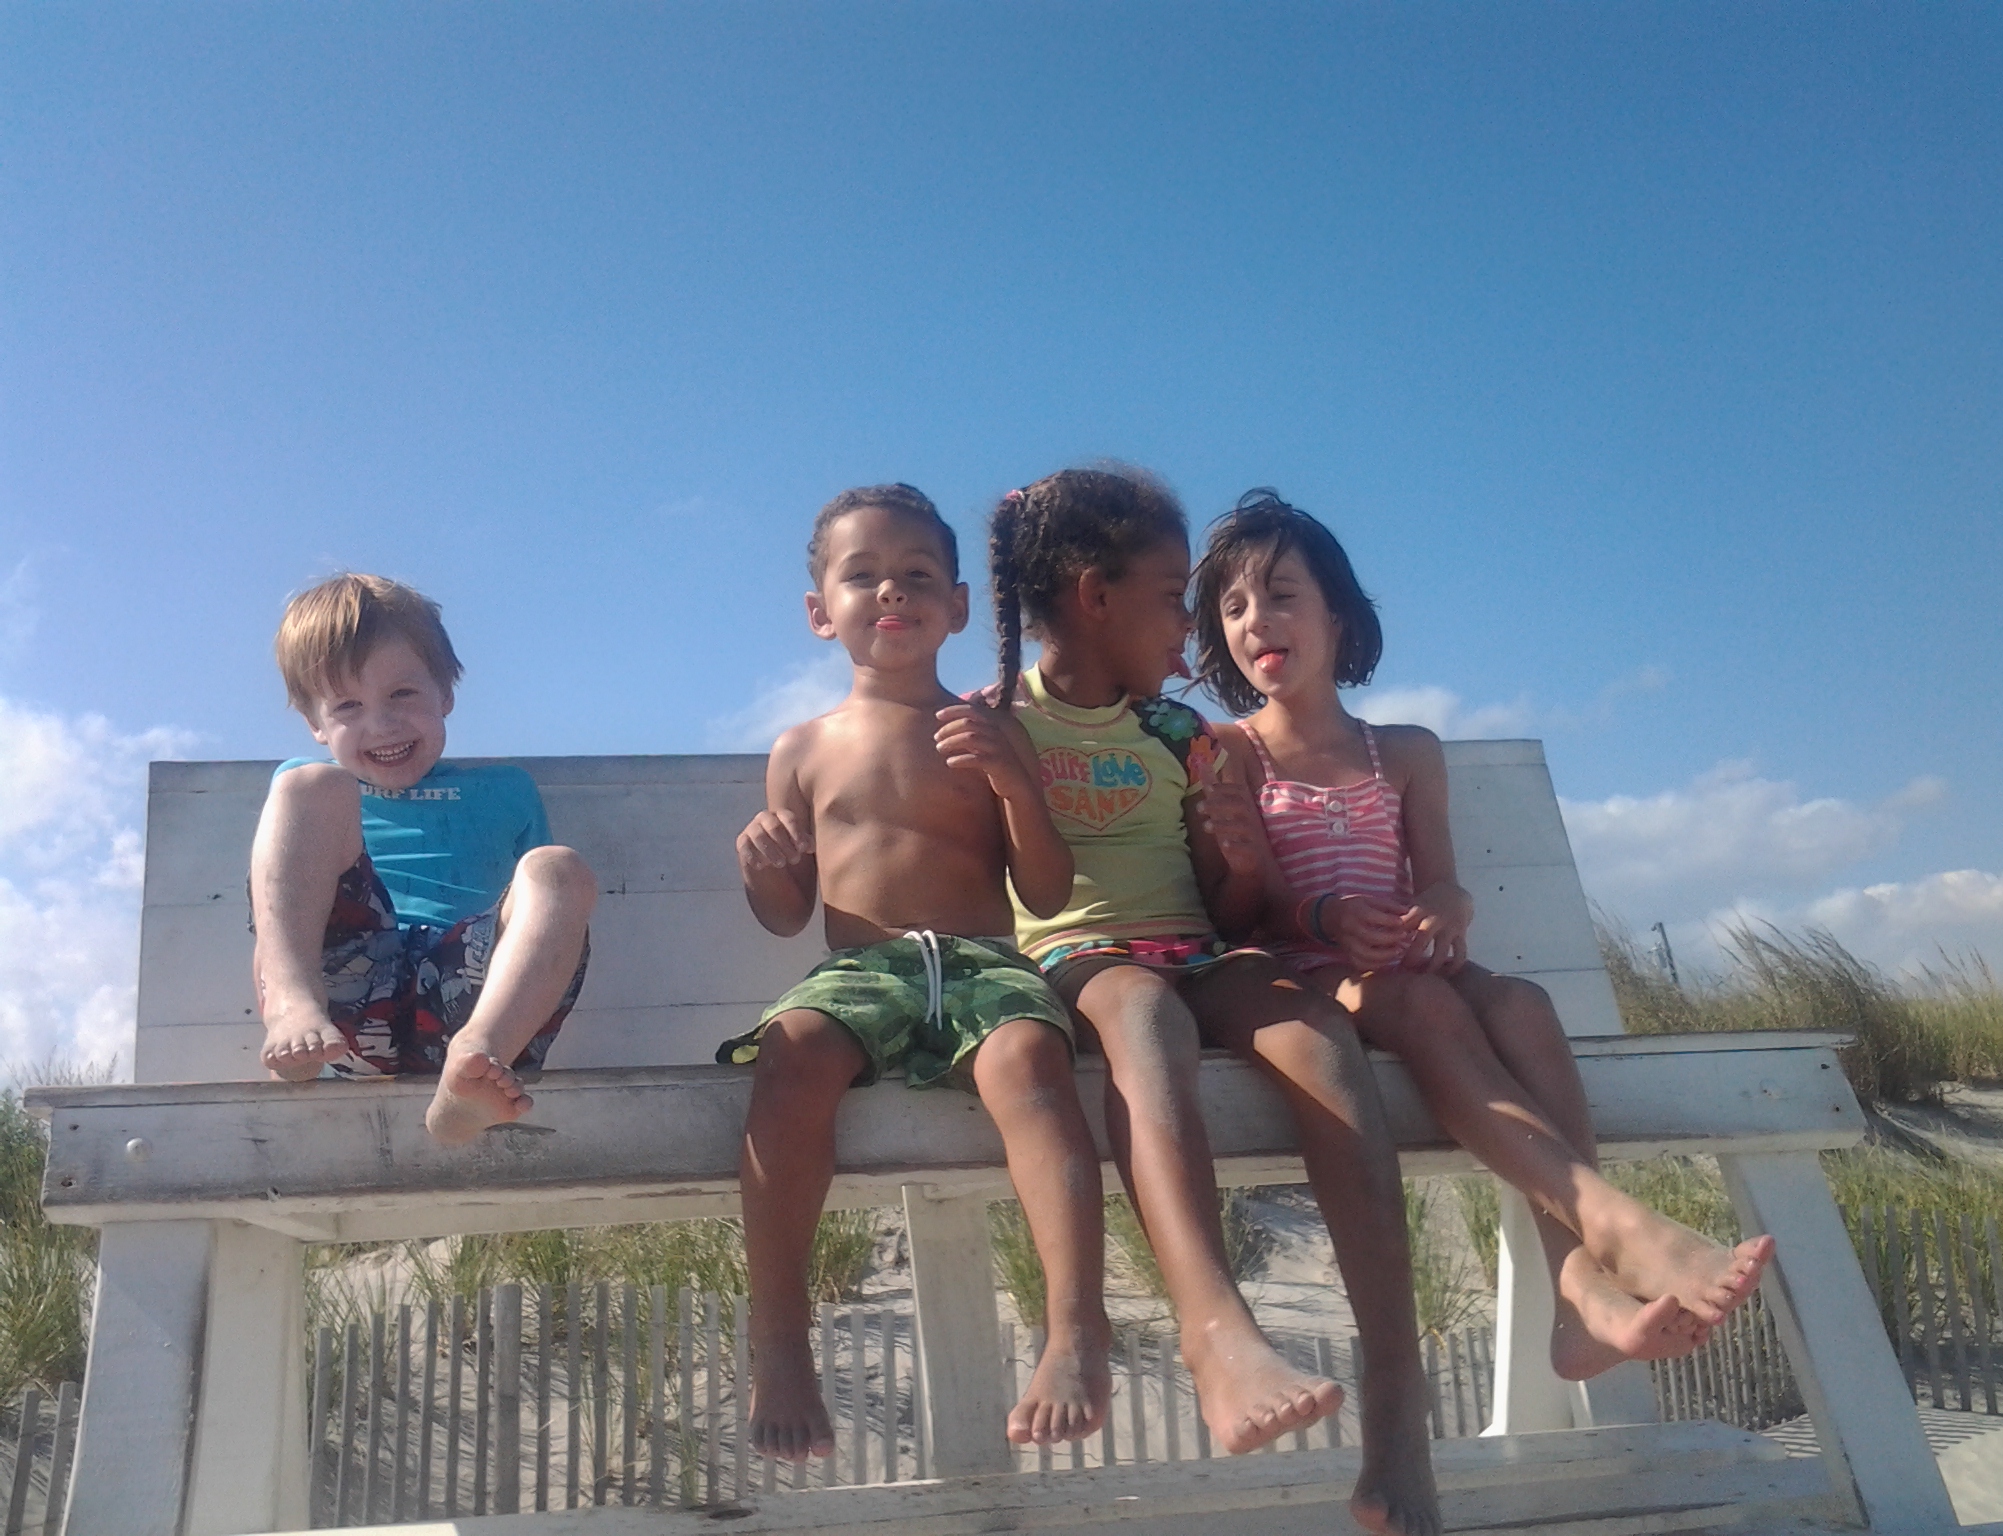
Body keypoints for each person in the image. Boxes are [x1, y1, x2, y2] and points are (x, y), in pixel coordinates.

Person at [1192, 489, 1775, 1379]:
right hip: (1311, 978)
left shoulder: (1405, 750)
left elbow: (1439, 877)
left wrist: (1449, 908)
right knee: (1423, 1004)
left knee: (1524, 1002)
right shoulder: (1230, 751)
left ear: (1337, 615)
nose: (1255, 619)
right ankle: (1613, 1223)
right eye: (1233, 607)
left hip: (1405, 962)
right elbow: (1249, 909)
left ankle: (1578, 1296)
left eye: (1280, 595)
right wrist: (1328, 917)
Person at [987, 468, 1439, 1536]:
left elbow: (1237, 911)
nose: (1187, 628)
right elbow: (994, 892)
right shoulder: (1000, 724)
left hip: (1199, 950)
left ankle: (1396, 1412)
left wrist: (1235, 859)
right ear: (1094, 597)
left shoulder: (1181, 732)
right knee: (1147, 1018)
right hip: (1083, 959)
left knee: (1320, 1038)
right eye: (1168, 598)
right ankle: (1211, 1326)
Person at [719, 483, 1110, 1463]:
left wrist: (1015, 784)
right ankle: (780, 1340)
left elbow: (1047, 889)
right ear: (821, 613)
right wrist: (764, 867)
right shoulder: (801, 749)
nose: (891, 590)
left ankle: (1073, 1329)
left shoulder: (992, 730)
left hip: (983, 963)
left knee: (1032, 1064)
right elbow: (788, 915)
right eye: (863, 576)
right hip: (863, 969)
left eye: (917, 575)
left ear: (959, 606)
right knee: (790, 1054)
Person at [250, 573, 596, 1146]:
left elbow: (543, 930)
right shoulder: (311, 792)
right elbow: (276, 911)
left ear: (445, 692)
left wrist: (482, 1037)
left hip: (467, 998)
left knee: (557, 869)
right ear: (315, 723)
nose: (381, 725)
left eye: (403, 694)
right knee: (307, 785)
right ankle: (292, 1003)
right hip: (342, 1006)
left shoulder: (507, 791)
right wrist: (282, 1000)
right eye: (348, 705)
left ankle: (473, 1069)